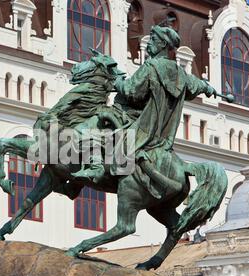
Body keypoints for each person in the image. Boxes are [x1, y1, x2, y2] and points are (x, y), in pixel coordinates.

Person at [74, 25, 217, 198]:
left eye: (153, 40)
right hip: (162, 139)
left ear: (163, 44)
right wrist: (208, 88)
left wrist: (117, 80)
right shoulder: (182, 75)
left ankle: (94, 170)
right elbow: (197, 86)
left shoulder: (151, 67)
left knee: (89, 131)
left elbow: (131, 91)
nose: (149, 44)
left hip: (140, 129)